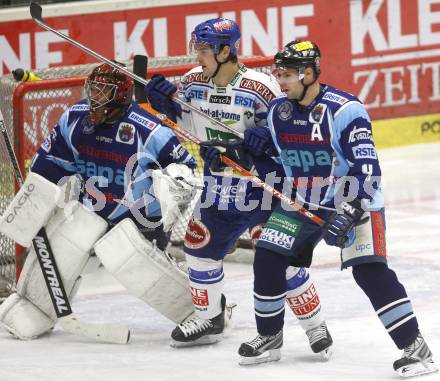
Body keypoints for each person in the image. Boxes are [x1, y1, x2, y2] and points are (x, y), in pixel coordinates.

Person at [236, 40, 438, 377]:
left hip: (354, 201)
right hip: (304, 201)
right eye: (278, 74)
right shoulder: (278, 112)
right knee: (269, 253)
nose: (280, 82)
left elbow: (368, 170)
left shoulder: (345, 110)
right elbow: (277, 166)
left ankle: (416, 348)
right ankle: (269, 338)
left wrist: (349, 211)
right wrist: (243, 154)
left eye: (286, 75)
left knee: (369, 270)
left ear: (309, 73)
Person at [144, 18, 333, 358]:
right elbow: (190, 123)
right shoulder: (191, 83)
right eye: (197, 49)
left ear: (225, 50)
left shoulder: (261, 87)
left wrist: (266, 143)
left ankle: (314, 325)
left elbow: (291, 135)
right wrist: (166, 105)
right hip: (219, 188)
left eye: (204, 50)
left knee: (281, 259)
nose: (197, 56)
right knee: (198, 247)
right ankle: (209, 317)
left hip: (265, 189)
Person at [0, 62, 202, 339]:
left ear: (120, 96)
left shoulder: (150, 131)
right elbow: (49, 165)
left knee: (128, 258)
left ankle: (203, 313)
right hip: (91, 211)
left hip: (140, 221)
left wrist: (171, 185)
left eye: (103, 92)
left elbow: (188, 172)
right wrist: (38, 200)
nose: (94, 97)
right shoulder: (74, 119)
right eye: (92, 89)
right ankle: (33, 306)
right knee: (68, 241)